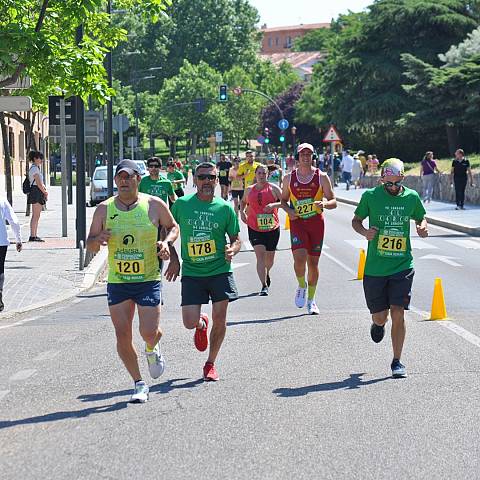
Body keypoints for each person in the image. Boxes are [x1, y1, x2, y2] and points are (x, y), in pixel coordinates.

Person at [86, 160, 179, 404]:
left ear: (139, 179)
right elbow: (90, 243)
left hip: (148, 278)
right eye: (120, 177)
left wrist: (166, 243)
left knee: (148, 332)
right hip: (118, 281)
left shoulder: (153, 205)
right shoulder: (104, 209)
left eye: (129, 177)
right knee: (122, 334)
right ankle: (138, 383)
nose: (124, 181)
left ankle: (151, 348)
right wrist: (99, 238)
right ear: (115, 181)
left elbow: (173, 227)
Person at [352, 158, 428, 378]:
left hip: (402, 265)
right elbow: (356, 221)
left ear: (402, 178)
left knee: (398, 313)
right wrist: (365, 232)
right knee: (380, 316)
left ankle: (397, 361)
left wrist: (422, 227)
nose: (393, 188)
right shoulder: (370, 197)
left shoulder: (411, 197)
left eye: (397, 183)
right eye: (389, 184)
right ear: (382, 179)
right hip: (375, 268)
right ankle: (377, 325)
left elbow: (421, 217)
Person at [170, 162, 241, 382]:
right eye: (202, 178)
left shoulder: (225, 208)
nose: (207, 182)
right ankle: (201, 323)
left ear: (217, 181)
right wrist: (173, 258)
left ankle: (210, 363)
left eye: (211, 178)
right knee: (188, 322)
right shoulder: (181, 205)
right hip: (192, 271)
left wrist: (233, 249)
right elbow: (168, 230)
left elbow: (237, 239)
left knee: (221, 318)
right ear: (195, 180)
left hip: (220, 270)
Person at [281, 143, 337, 315]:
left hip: (316, 224)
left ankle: (311, 300)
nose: (306, 157)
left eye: (309, 154)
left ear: (313, 156)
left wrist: (325, 203)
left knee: (313, 263)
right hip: (298, 222)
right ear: (298, 157)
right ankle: (301, 285)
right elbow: (283, 200)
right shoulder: (289, 178)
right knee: (299, 259)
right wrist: (289, 210)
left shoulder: (322, 177)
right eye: (302, 154)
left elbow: (333, 201)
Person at [240, 165, 282, 296]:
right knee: (260, 256)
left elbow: (285, 202)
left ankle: (267, 272)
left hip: (272, 227)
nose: (261, 175)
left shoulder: (274, 189)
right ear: (255, 174)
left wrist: (274, 205)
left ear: (267, 174)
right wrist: (242, 213)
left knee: (269, 259)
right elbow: (242, 202)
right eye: (259, 173)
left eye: (264, 173)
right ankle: (264, 285)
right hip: (254, 227)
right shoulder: (249, 190)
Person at [0, 197, 22, 311]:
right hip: (1, 241)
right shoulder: (2, 200)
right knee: (0, 269)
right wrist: (18, 239)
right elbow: (14, 221)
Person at [27, 151, 48, 242]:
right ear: (35, 158)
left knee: (37, 215)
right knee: (35, 215)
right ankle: (32, 235)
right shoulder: (34, 169)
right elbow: (39, 183)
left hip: (37, 191)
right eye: (40, 158)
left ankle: (34, 234)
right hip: (36, 192)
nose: (42, 160)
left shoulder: (35, 168)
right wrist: (45, 192)